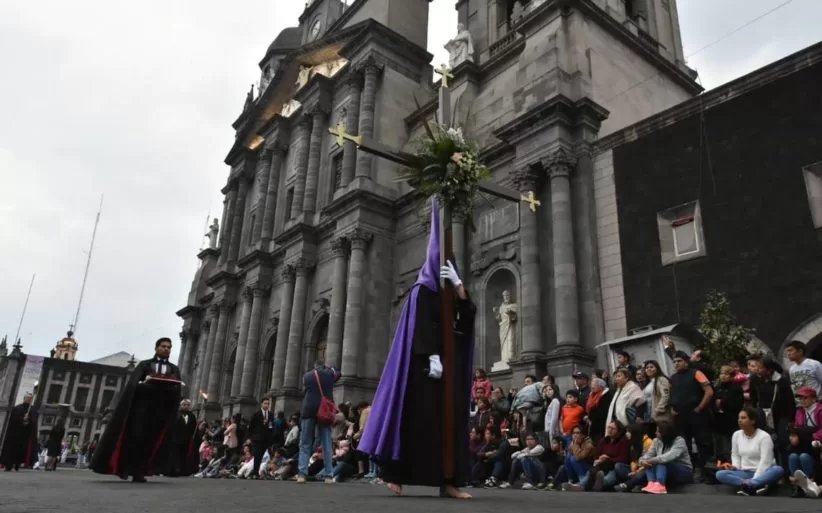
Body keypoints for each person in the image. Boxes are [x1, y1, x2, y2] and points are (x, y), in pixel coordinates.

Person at [358, 196, 476, 499]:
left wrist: (461, 290)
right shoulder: (422, 291)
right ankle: (394, 474)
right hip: (425, 369)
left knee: (450, 424)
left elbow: (463, 323)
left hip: (448, 366)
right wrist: (433, 356)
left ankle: (449, 481)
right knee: (418, 424)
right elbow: (421, 327)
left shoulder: (450, 291)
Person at [90, 337, 183, 482]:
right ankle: (128, 468)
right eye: (163, 346)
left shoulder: (174, 369)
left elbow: (177, 389)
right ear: (156, 348)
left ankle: (141, 470)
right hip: (141, 410)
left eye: (169, 347)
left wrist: (170, 388)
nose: (166, 349)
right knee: (135, 438)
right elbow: (133, 385)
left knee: (151, 440)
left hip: (160, 412)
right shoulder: (144, 365)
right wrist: (148, 384)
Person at [715, 407, 785, 496]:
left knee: (778, 470)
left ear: (753, 421)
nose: (740, 420)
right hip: (745, 472)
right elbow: (735, 455)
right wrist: (735, 466)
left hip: (764, 472)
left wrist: (755, 478)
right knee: (720, 474)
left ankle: (750, 485)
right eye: (739, 418)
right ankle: (756, 486)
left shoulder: (764, 437)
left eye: (743, 418)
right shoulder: (736, 435)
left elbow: (765, 462)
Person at [297, 361, 340, 483]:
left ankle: (302, 474)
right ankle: (329, 475)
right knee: (326, 443)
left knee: (305, 443)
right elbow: (338, 372)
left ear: (314, 366)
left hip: (309, 409)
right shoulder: (329, 375)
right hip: (324, 410)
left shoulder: (307, 376)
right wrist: (330, 368)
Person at [0, 392, 38, 471]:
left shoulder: (33, 410)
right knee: (11, 450)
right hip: (14, 434)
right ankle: (8, 465)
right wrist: (22, 419)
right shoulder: (17, 408)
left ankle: (17, 464)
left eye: (30, 399)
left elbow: (34, 422)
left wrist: (28, 421)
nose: (29, 400)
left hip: (25, 435)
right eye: (27, 398)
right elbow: (13, 420)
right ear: (24, 398)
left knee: (21, 451)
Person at [169, 399, 199, 477]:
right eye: (184, 404)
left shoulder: (192, 416)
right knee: (175, 455)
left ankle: (183, 470)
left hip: (186, 439)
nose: (186, 406)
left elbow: (193, 427)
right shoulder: (176, 414)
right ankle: (173, 470)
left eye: (188, 405)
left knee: (184, 455)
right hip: (176, 438)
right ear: (181, 405)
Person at [248, 397, 274, 478]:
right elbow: (251, 427)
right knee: (257, 455)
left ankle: (255, 471)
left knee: (261, 455)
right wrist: (250, 437)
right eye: (265, 403)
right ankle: (255, 472)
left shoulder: (270, 414)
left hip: (266, 439)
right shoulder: (256, 414)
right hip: (257, 438)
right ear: (261, 404)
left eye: (268, 404)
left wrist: (270, 435)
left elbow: (271, 426)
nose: (267, 405)